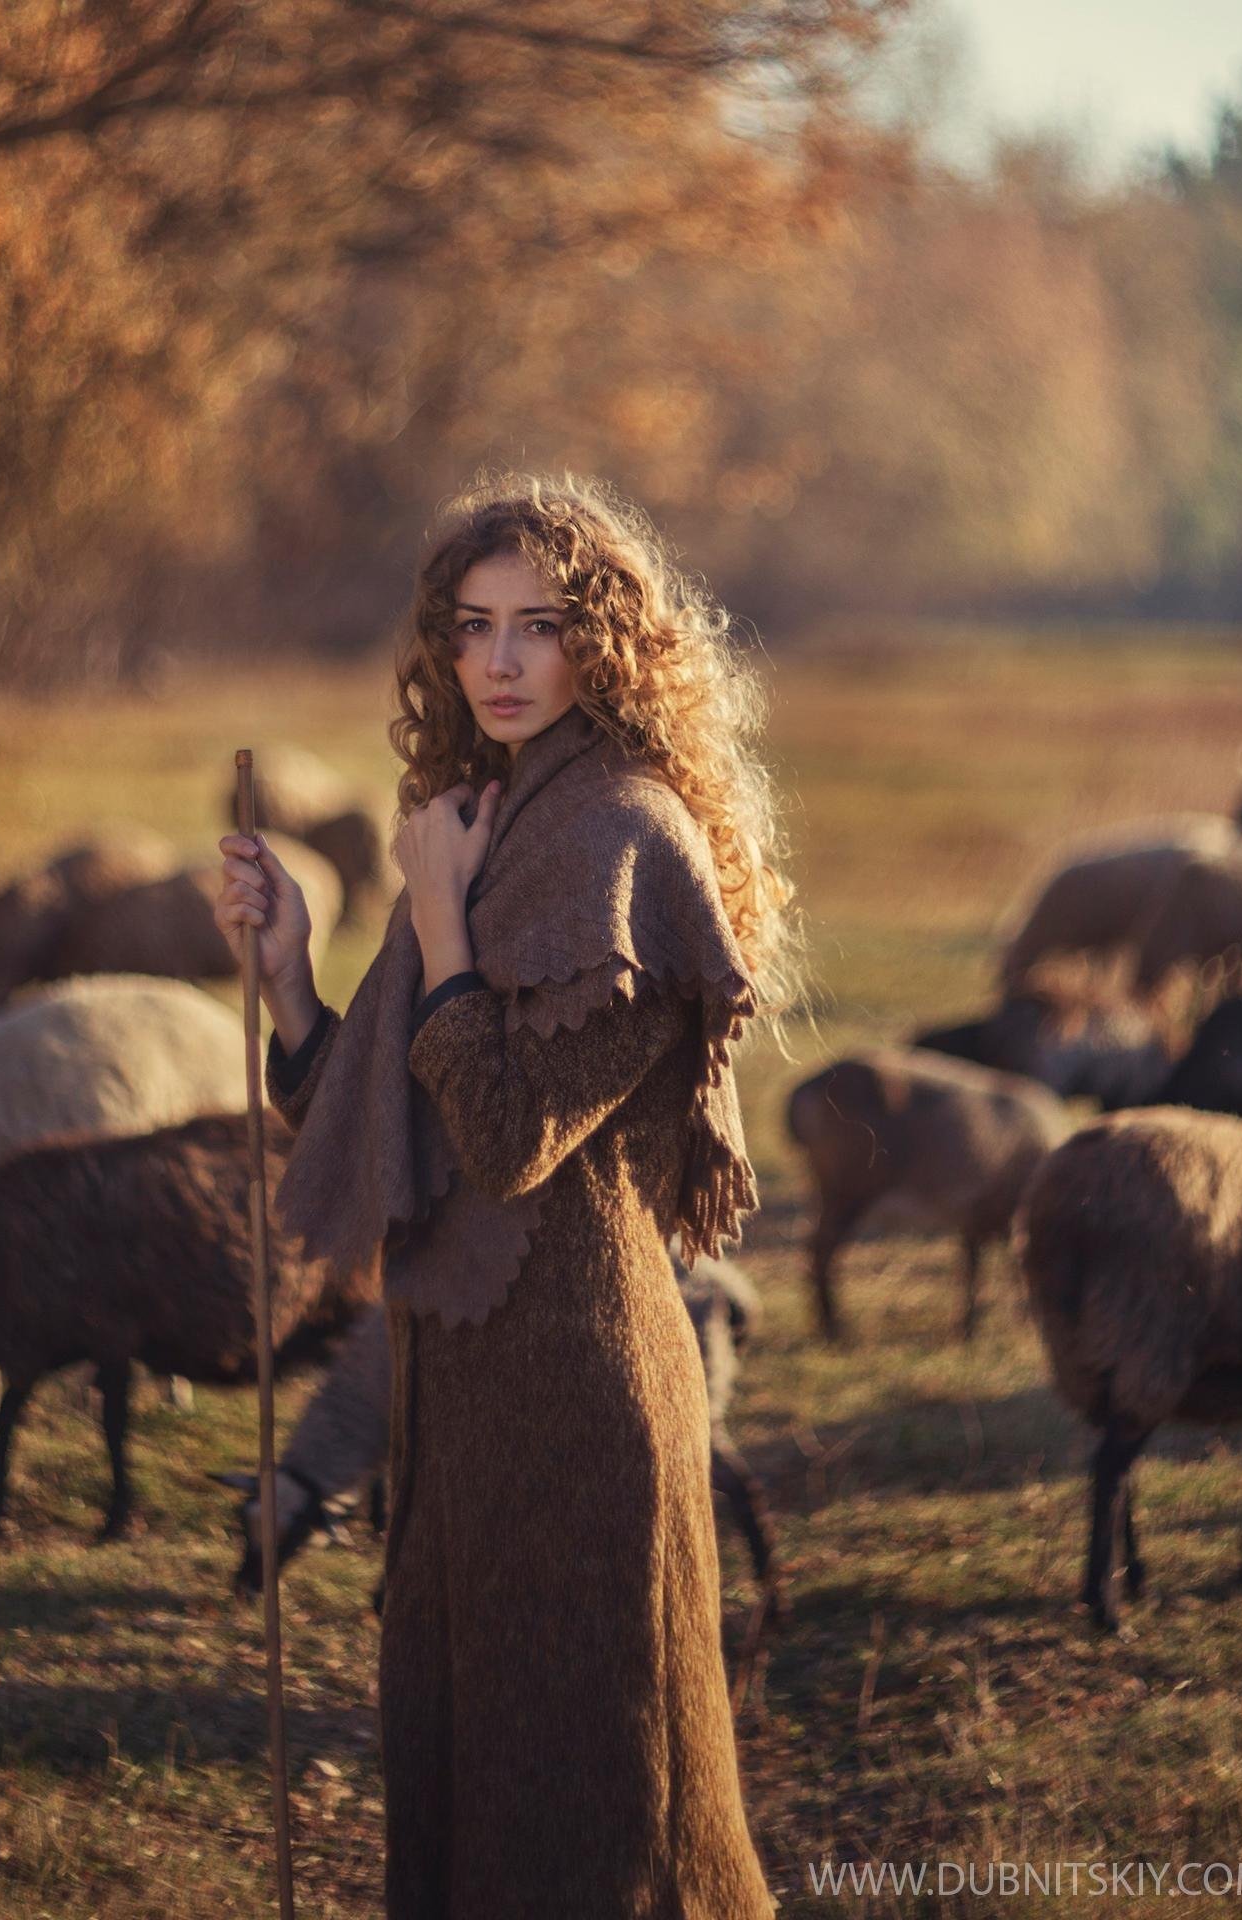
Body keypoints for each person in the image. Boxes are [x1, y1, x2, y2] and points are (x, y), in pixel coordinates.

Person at [215, 474, 798, 1919]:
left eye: (542, 626)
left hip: (581, 1408)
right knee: (468, 1792)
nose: (499, 661)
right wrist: (291, 974)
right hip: (459, 1391)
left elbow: (511, 1137)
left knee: (592, 1817)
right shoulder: (482, 814)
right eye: (473, 627)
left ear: (609, 645)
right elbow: (387, 1110)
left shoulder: (621, 838)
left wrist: (435, 927)